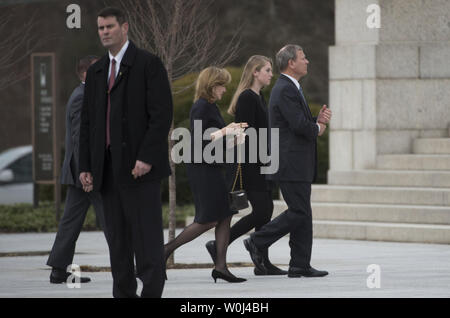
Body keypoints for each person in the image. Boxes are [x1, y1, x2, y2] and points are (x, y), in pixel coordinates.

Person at [78, 7, 173, 298]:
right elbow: (88, 124)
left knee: (147, 246)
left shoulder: (148, 64)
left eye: (109, 26)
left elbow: (161, 115)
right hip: (107, 173)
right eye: (100, 28)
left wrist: (145, 157)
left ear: (125, 27)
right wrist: (85, 165)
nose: (104, 32)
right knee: (118, 247)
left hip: (139, 172)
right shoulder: (95, 72)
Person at [243, 45, 332, 278]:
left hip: (295, 162)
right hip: (289, 162)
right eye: (304, 58)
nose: (308, 61)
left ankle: (299, 264)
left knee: (303, 213)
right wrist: (318, 127)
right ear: (291, 63)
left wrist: (315, 120)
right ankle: (257, 240)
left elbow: (294, 122)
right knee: (299, 211)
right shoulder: (285, 89)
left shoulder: (290, 87)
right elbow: (300, 127)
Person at [164, 66, 248, 283]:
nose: (224, 90)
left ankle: (221, 267)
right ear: (212, 86)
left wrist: (234, 137)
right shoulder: (201, 107)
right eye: (222, 85)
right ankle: (163, 252)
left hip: (211, 168)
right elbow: (202, 138)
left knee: (226, 214)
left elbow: (215, 140)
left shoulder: (210, 106)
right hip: (202, 170)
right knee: (207, 220)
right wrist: (226, 130)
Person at [204, 55, 287, 276]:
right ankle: (222, 245)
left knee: (265, 211)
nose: (271, 74)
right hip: (252, 164)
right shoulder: (247, 98)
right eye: (267, 70)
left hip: (260, 162)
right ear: (255, 72)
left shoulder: (257, 97)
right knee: (263, 211)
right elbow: (244, 135)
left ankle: (262, 261)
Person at [47, 55, 105, 284]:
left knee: (70, 222)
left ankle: (59, 270)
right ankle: (129, 267)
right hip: (85, 173)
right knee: (111, 219)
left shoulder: (85, 95)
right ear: (85, 74)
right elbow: (80, 139)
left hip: (81, 173)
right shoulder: (82, 98)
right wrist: (86, 172)